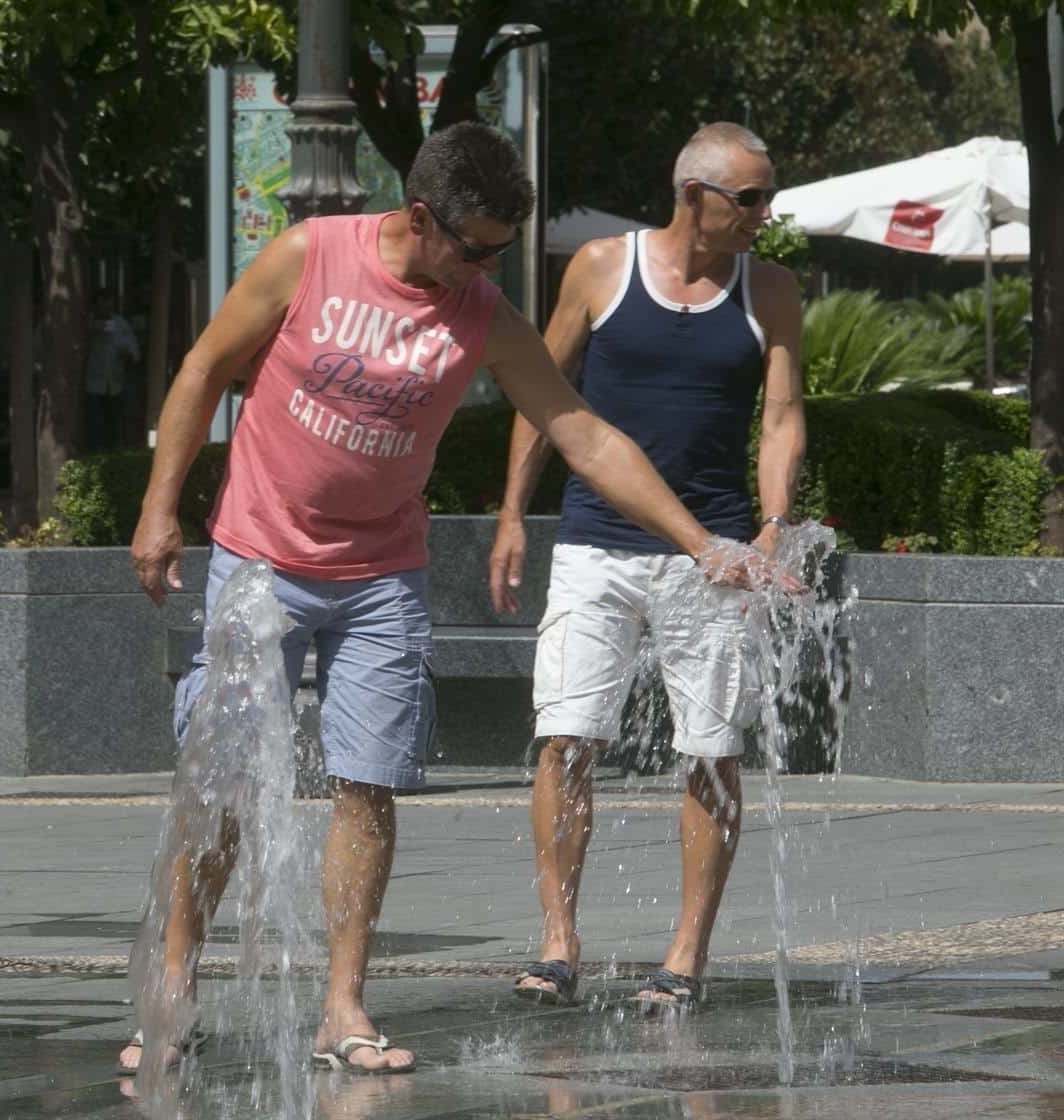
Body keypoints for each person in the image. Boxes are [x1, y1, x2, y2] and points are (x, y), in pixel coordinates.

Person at [123, 121, 778, 1078]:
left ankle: (343, 1007)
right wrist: (157, 512)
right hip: (258, 557)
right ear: (419, 217)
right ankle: (174, 994)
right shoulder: (311, 255)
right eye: (471, 248)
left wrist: (702, 543)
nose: (482, 270)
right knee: (219, 779)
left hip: (384, 571)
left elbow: (584, 433)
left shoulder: (483, 311)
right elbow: (204, 369)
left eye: (499, 253)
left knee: (368, 784)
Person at [488, 122, 805, 1012]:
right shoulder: (597, 267)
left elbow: (781, 417)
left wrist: (773, 526)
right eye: (750, 199)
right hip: (595, 542)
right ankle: (558, 942)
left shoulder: (771, 288)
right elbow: (541, 397)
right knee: (566, 738)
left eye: (767, 196)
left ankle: (686, 955)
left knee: (711, 751)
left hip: (717, 556)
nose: (763, 214)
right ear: (694, 195)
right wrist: (513, 514)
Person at [84, 288, 140, 450]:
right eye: (102, 306)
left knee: (112, 428)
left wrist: (126, 353)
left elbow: (134, 352)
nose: (106, 309)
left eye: (109, 305)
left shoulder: (120, 324)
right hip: (93, 385)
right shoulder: (87, 323)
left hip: (115, 385)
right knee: (95, 429)